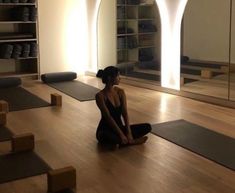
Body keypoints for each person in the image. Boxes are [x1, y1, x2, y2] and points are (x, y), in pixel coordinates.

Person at [95, 66, 152, 146]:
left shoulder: (120, 92)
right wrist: (121, 134)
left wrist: (128, 132)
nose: (120, 78)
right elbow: (108, 117)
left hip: (120, 127)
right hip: (105, 130)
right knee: (106, 137)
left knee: (147, 127)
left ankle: (120, 143)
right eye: (118, 76)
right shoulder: (100, 96)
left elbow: (125, 113)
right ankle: (130, 142)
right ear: (109, 78)